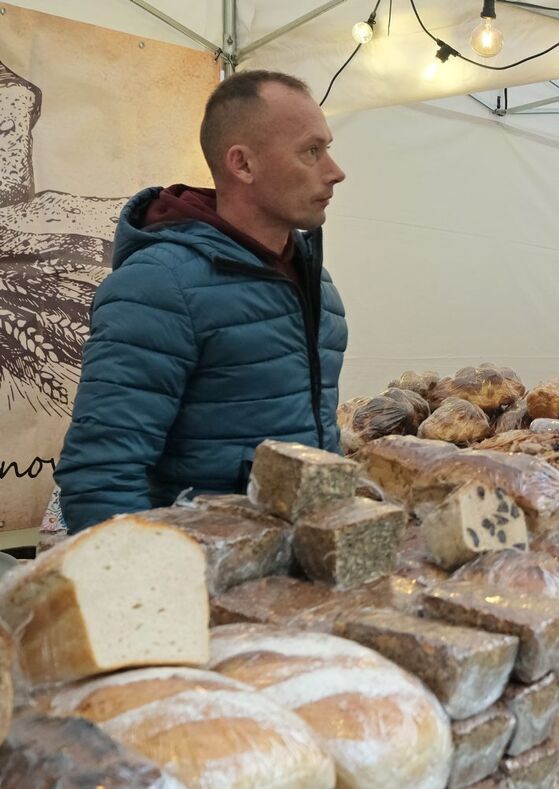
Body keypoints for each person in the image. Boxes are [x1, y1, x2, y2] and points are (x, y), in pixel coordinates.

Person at [55, 70, 348, 532]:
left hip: (291, 582)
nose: (335, 171)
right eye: (312, 151)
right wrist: (155, 592)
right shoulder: (159, 285)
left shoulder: (317, 284)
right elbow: (102, 474)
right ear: (243, 165)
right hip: (202, 578)